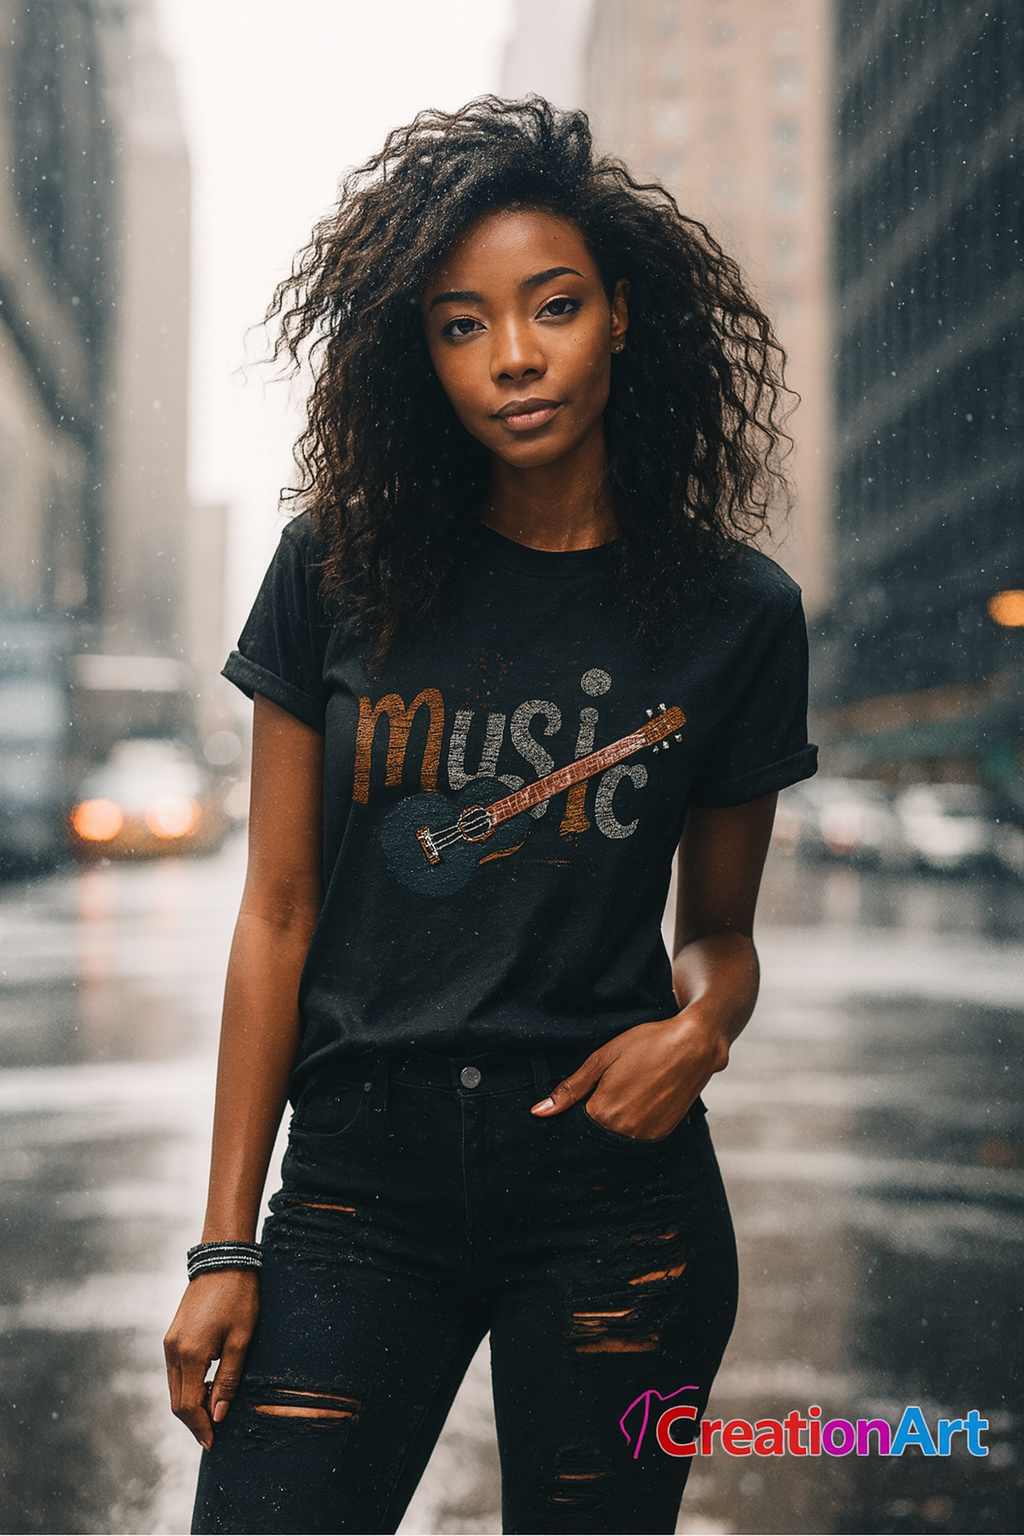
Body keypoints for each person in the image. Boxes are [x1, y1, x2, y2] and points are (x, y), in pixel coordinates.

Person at [164, 96, 817, 1535]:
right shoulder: (337, 571)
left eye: (554, 307)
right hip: (357, 1188)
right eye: (462, 325)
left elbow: (719, 932)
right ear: (423, 356)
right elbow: (277, 915)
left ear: (625, 318)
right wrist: (227, 1241)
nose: (514, 357)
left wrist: (699, 1031)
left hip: (612, 1195)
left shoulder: (737, 616)